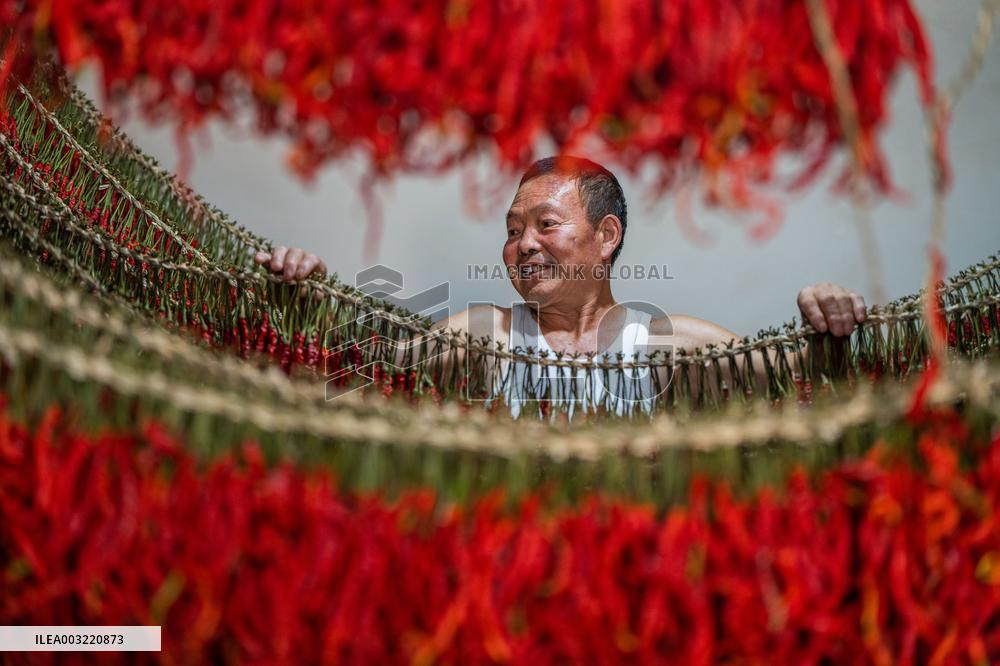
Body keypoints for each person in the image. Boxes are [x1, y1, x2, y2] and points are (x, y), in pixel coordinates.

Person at [255, 156, 866, 417]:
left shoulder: (671, 345)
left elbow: (811, 382)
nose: (524, 245)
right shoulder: (485, 334)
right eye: (513, 230)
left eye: (546, 226)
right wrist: (298, 296)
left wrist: (829, 319)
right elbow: (347, 373)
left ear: (606, 237)